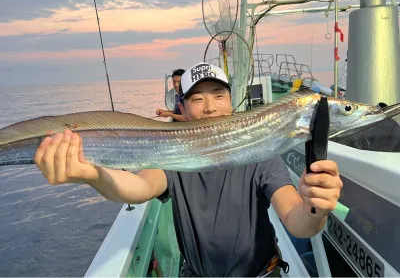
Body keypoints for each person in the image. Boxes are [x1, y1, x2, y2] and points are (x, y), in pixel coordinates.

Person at [34, 62, 343, 277]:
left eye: (219, 95)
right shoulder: (173, 157)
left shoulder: (260, 154)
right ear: (182, 109)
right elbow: (138, 189)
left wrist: (316, 207)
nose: (210, 107)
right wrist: (93, 174)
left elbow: (297, 222)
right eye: (197, 98)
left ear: (231, 103)